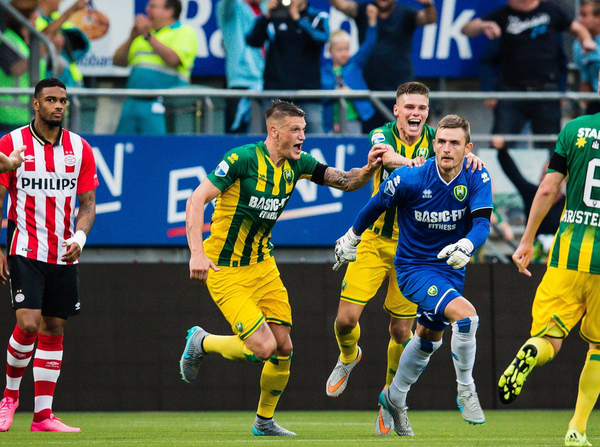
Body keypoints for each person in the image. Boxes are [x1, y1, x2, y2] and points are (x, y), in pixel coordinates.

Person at [178, 100, 386, 436]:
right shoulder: (242, 159)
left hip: (263, 266)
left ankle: (264, 421)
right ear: (274, 132)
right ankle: (201, 342)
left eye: (304, 129)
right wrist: (196, 253)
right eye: (296, 130)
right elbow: (195, 199)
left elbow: (345, 181)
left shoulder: (298, 163)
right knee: (263, 348)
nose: (302, 136)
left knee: (284, 347)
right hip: (225, 269)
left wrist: (367, 170)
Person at [325, 82, 483, 436]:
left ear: (428, 111)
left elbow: (459, 157)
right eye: (408, 106)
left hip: (412, 248)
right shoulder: (382, 133)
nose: (415, 113)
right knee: (345, 321)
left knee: (401, 331)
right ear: (396, 110)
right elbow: (384, 156)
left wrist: (469, 157)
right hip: (373, 242)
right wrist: (415, 163)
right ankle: (349, 355)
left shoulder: (437, 138)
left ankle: (393, 402)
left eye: (421, 108)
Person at [498, 87, 600, 447]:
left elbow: (547, 189)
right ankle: (577, 429)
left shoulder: (574, 130)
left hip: (568, 253)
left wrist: (526, 240)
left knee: (549, 339)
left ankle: (531, 352)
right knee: (599, 349)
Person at [0, 78, 98, 432]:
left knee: (54, 328)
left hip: (63, 253)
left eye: (63, 101)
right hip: (25, 247)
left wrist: (81, 237)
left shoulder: (80, 148)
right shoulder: (11, 144)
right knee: (28, 323)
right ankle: (10, 397)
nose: (59, 106)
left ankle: (43, 416)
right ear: (35, 104)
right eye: (51, 100)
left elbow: (87, 203)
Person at [461, 0, 596, 153]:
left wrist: (586, 40)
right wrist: (482, 26)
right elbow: (466, 29)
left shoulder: (550, 11)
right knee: (500, 145)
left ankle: (552, 177)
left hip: (546, 91)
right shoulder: (503, 14)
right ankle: (493, 177)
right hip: (511, 92)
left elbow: (577, 29)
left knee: (551, 147)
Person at [328, 0, 436, 132]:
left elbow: (429, 19)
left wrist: (428, 4)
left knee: (408, 137)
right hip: (369, 93)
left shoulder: (406, 13)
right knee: (372, 140)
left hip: (401, 90)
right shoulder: (365, 11)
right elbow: (341, 5)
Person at [112, 0, 198, 135]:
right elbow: (118, 61)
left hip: (163, 104)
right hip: (132, 102)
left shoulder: (184, 31)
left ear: (169, 11)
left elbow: (173, 59)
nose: (147, 10)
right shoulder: (141, 36)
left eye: (153, 7)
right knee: (122, 146)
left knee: (158, 149)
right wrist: (132, 37)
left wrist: (147, 36)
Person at [246, 0, 329, 134]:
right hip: (276, 93)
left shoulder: (317, 16)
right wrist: (266, 16)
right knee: (273, 141)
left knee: (315, 139)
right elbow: (252, 40)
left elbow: (321, 38)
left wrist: (298, 19)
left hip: (308, 93)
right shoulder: (274, 17)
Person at [492, 135, 565, 263]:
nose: (547, 179)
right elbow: (514, 174)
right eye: (544, 174)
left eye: (551, 175)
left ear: (563, 180)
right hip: (533, 256)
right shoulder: (532, 193)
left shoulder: (568, 202)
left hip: (559, 256)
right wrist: (502, 150)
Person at [321, 5, 377, 135]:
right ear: (330, 51)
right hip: (332, 122)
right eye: (339, 50)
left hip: (353, 120)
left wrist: (372, 22)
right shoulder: (324, 72)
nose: (344, 53)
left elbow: (369, 44)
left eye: (347, 49)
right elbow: (322, 98)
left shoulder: (354, 64)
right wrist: (334, 92)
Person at [216, 0, 265, 133]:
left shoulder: (269, 8)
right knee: (238, 144)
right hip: (241, 83)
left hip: (268, 84)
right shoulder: (230, 7)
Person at [0, 0, 48, 133]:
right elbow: (15, 69)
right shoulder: (8, 40)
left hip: (31, 115)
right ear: (24, 17)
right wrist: (40, 53)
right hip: (9, 117)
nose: (38, 17)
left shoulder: (31, 42)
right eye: (35, 13)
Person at [36, 0, 90, 87]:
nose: (61, 1)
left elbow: (80, 46)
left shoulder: (56, 18)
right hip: (51, 85)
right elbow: (38, 38)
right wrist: (72, 9)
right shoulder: (33, 18)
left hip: (71, 83)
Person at [574, 0, 600, 115]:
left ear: (598, 18)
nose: (580, 20)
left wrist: (596, 51)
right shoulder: (578, 45)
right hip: (595, 99)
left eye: (584, 15)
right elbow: (586, 79)